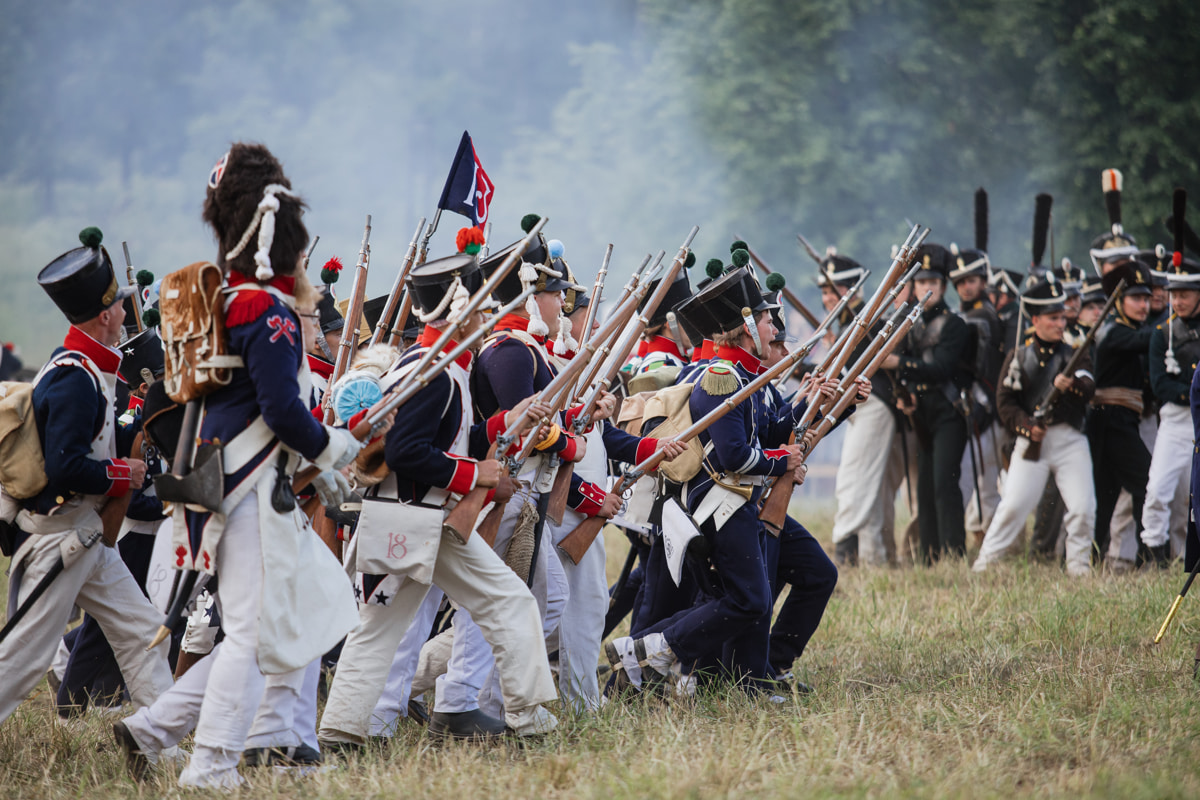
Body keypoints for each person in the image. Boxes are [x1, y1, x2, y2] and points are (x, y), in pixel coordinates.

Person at [114, 143, 360, 788]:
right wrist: (334, 448)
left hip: (226, 481)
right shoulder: (268, 309)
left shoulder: (231, 300)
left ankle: (154, 729)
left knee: (282, 622)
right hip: (246, 488)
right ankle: (212, 764)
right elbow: (281, 411)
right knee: (253, 636)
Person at [318, 248, 560, 744]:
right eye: (477, 303)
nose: (487, 312)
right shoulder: (435, 373)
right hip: (425, 519)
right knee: (511, 603)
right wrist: (477, 475)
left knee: (377, 627)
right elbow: (408, 452)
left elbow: (451, 437)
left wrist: (509, 421)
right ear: (457, 308)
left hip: (405, 519)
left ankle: (342, 731)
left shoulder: (433, 364)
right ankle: (529, 719)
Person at [0, 227, 174, 724]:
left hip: (86, 538)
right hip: (60, 538)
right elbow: (66, 467)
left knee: (146, 636)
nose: (123, 311)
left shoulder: (79, 367)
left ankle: (156, 741)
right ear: (105, 316)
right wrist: (126, 472)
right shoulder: (75, 377)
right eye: (118, 305)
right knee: (20, 662)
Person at [973, 275, 1096, 575]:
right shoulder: (1019, 357)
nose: (1060, 323)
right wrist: (1028, 427)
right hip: (1033, 443)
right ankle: (984, 565)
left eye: (1062, 317)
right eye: (1053, 318)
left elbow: (1090, 387)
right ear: (1037, 319)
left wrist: (1072, 386)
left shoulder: (1074, 353)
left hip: (1069, 440)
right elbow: (1005, 404)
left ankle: (1078, 568)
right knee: (1013, 507)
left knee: (1082, 508)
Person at [885, 244, 971, 564]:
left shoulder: (954, 325)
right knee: (924, 488)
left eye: (933, 282)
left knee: (944, 483)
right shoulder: (910, 324)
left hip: (948, 411)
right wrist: (902, 395)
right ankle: (928, 557)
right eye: (921, 283)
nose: (926, 288)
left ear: (944, 286)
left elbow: (941, 370)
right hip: (920, 412)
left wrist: (899, 364)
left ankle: (954, 554)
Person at [822, 250, 898, 567]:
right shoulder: (846, 323)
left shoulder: (868, 320)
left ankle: (845, 549)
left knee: (854, 480)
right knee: (867, 484)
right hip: (856, 405)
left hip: (873, 404)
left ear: (850, 289)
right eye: (824, 292)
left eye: (830, 291)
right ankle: (873, 556)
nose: (826, 298)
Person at [1087, 259, 1155, 565]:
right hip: (1111, 423)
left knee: (1105, 496)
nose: (1143, 305)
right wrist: (1175, 324)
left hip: (1121, 422)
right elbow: (1147, 340)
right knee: (1147, 484)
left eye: (1146, 298)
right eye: (1136, 298)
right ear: (1119, 302)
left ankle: (1090, 558)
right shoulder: (1114, 332)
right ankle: (1151, 556)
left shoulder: (1129, 329)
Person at [1140, 253, 1200, 563]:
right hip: (1176, 421)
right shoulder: (1161, 334)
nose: (1177, 300)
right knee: (1157, 491)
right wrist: (1194, 393)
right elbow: (1160, 386)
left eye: (1185, 294)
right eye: (1174, 294)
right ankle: (1155, 557)